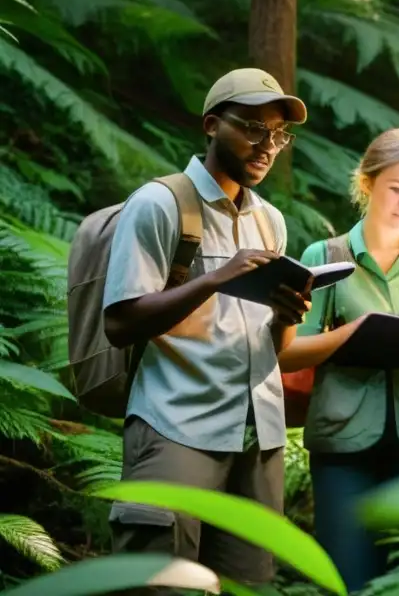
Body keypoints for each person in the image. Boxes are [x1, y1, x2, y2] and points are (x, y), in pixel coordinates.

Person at [102, 68, 312, 586]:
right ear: (213, 125)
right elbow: (120, 321)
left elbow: (273, 345)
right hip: (176, 427)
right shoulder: (160, 203)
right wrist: (215, 278)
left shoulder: (271, 221)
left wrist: (287, 317)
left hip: (257, 438)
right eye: (253, 128)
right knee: (161, 583)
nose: (268, 145)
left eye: (279, 135)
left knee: (248, 585)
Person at [278, 128, 399, 591]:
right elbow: (289, 351)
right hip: (343, 443)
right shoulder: (326, 256)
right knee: (347, 579)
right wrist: (350, 334)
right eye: (396, 190)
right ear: (367, 184)